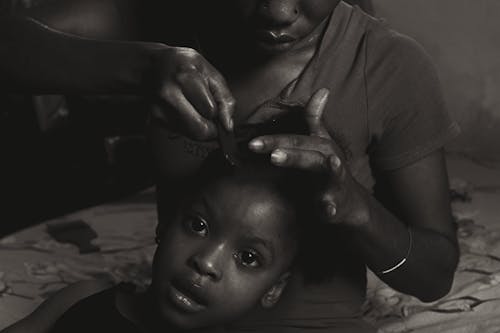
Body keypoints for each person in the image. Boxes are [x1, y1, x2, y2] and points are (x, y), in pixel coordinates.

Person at [0, 0, 460, 331]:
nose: (279, 11)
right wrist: (139, 67)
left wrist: (355, 208)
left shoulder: (385, 67)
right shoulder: (168, 16)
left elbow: (433, 275)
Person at [1, 152, 329, 333]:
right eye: (198, 225)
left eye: (247, 257)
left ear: (274, 288)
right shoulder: (85, 297)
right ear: (167, 224)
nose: (207, 262)